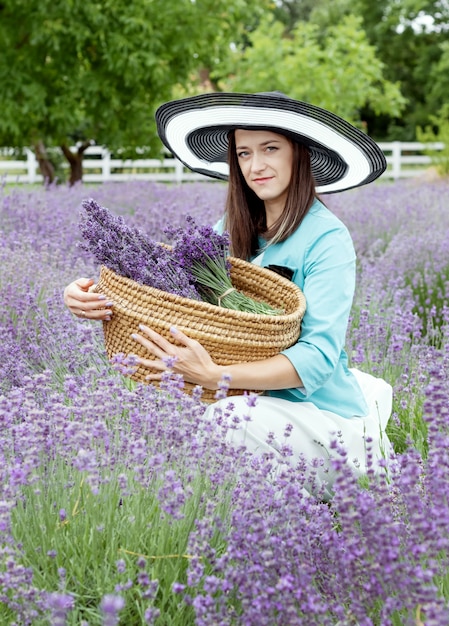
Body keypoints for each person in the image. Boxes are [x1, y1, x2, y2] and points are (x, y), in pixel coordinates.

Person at [64, 92, 393, 497]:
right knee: (153, 419)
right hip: (249, 398)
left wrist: (215, 376)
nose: (256, 165)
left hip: (318, 417)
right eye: (243, 153)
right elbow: (174, 290)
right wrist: (94, 292)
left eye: (270, 148)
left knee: (228, 419)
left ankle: (293, 527)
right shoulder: (232, 228)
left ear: (299, 154)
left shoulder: (326, 238)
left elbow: (319, 359)